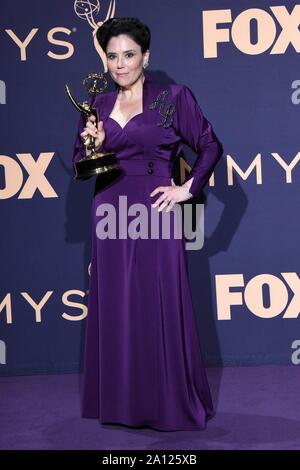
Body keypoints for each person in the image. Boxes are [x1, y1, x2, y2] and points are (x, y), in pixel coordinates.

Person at [73, 17, 223, 431]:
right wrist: (93, 146)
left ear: (146, 57)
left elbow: (210, 145)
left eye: (129, 55)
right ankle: (123, 404)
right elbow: (80, 166)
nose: (120, 64)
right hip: (108, 210)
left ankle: (169, 401)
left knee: (159, 302)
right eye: (112, 56)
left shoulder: (173, 98)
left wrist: (186, 188)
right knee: (119, 305)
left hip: (154, 211)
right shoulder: (98, 105)